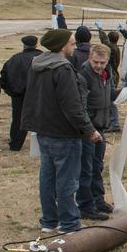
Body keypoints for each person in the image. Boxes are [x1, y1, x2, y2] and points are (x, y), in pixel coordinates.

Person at [23, 29, 101, 234]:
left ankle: (49, 221)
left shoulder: (37, 65)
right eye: (72, 44)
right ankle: (69, 223)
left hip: (44, 131)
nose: (74, 48)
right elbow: (72, 106)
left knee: (47, 177)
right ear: (61, 46)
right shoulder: (63, 69)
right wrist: (89, 130)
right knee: (67, 180)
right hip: (64, 134)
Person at [76, 44, 116, 219]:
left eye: (102, 62)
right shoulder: (83, 75)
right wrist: (89, 129)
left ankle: (98, 199)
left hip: (101, 127)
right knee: (87, 168)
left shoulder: (107, 74)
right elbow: (81, 106)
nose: (99, 66)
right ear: (89, 59)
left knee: (97, 166)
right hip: (89, 130)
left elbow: (110, 95)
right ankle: (85, 205)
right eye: (95, 62)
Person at [0, 35, 40, 151]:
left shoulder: (14, 59)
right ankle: (40, 145)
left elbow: (4, 78)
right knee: (40, 118)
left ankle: (15, 144)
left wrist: (11, 92)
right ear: (36, 45)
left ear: (24, 45)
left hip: (18, 95)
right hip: (38, 95)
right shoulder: (42, 58)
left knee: (18, 119)